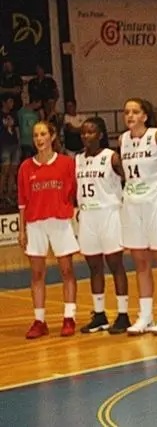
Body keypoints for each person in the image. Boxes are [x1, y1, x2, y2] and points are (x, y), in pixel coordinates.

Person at [119, 98, 157, 335]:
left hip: (155, 203)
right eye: (127, 112)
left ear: (145, 116)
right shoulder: (123, 139)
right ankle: (145, 315)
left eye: (135, 112)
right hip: (132, 204)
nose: (130, 116)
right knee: (140, 262)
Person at [17, 121, 79, 339]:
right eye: (35, 135)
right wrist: (22, 230)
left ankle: (69, 317)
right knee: (37, 274)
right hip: (35, 224)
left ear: (52, 136)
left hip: (60, 222)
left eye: (43, 134)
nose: (39, 139)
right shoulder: (26, 167)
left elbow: (73, 192)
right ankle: (39, 320)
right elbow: (22, 201)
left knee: (67, 271)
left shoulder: (66, 163)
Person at [75, 117, 131, 334]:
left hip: (109, 214)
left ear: (100, 135)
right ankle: (99, 315)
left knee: (115, 265)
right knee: (94, 267)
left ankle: (123, 315)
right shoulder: (78, 159)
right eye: (83, 132)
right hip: (88, 216)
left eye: (90, 132)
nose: (85, 136)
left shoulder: (111, 157)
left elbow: (130, 179)